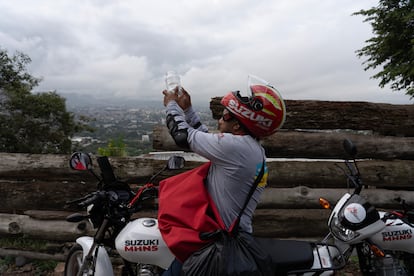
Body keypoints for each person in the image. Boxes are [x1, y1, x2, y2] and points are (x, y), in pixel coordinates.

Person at [162, 77, 286, 276]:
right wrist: (188, 111)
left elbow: (182, 136)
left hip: (219, 246)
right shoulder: (250, 148)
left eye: (225, 116)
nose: (219, 120)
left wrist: (171, 105)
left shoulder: (237, 148)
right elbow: (205, 138)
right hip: (229, 238)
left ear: (237, 126)